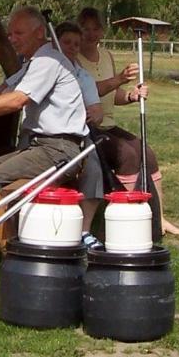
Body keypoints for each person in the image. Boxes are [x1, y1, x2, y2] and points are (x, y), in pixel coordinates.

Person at [76, 7, 179, 236]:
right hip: (87, 128)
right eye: (86, 29)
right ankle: (127, 217)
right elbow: (88, 91)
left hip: (109, 124)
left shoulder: (106, 56)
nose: (91, 34)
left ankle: (159, 217)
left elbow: (112, 94)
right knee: (127, 155)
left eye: (96, 28)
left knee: (146, 152)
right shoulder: (73, 59)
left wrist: (130, 95)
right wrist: (119, 79)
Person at [0, 6, 87, 188]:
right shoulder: (33, 63)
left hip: (57, 151)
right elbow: (1, 93)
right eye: (10, 34)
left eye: (18, 33)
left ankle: (0, 216)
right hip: (43, 147)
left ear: (39, 32)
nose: (12, 39)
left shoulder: (47, 61)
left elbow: (17, 100)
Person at [54, 21, 108, 248]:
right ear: (55, 42)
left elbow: (97, 111)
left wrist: (93, 115)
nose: (72, 47)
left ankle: (84, 230)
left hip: (77, 133)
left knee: (94, 165)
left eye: (76, 44)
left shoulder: (83, 76)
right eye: (66, 42)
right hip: (47, 134)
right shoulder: (43, 67)